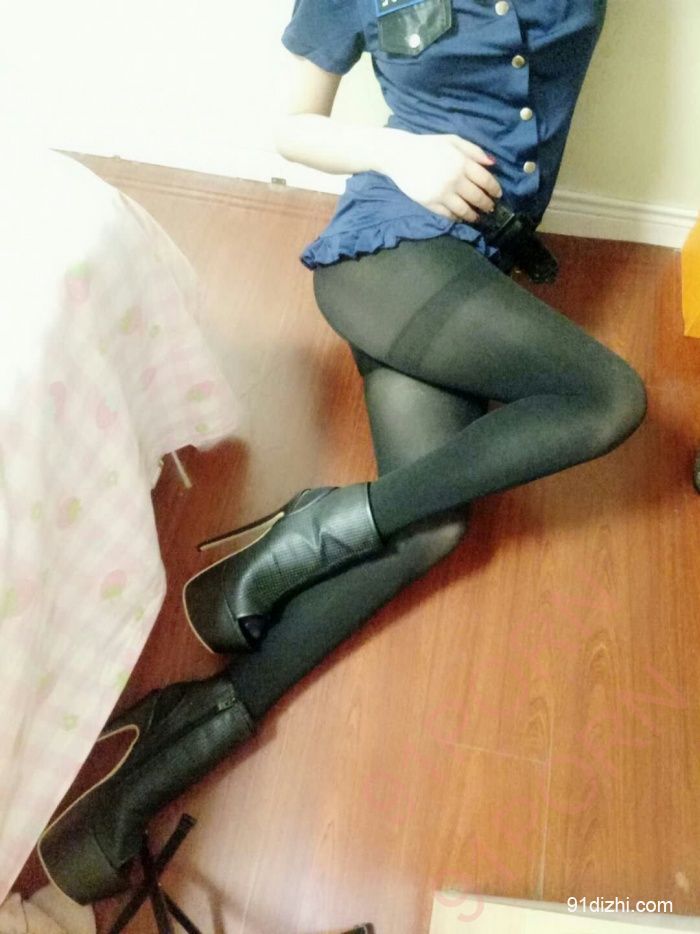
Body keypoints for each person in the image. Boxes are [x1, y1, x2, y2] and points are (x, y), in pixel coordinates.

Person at [38, 0, 647, 903]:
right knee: (609, 398)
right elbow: (292, 124)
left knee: (432, 528)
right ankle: (317, 525)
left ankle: (171, 744)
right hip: (386, 257)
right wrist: (402, 153)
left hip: (470, 275)